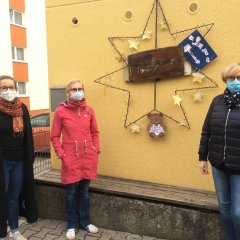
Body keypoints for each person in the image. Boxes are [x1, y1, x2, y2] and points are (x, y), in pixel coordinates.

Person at [50, 80, 100, 240]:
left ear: (84, 91)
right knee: (71, 192)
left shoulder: (89, 110)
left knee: (84, 191)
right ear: (68, 93)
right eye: (73, 89)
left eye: (80, 89)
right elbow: (54, 136)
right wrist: (61, 154)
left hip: (87, 157)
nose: (77, 91)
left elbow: (95, 132)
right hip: (70, 157)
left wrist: (95, 148)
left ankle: (85, 222)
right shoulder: (60, 112)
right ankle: (72, 224)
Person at [199, 63, 240, 240]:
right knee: (224, 206)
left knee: (238, 212)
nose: (235, 82)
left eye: (239, 78)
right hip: (218, 164)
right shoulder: (217, 101)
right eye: (232, 78)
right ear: (225, 80)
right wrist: (202, 158)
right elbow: (207, 130)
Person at [0, 75, 38, 240]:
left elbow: (28, 135)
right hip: (2, 161)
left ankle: (14, 230)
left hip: (20, 161)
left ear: (16, 88)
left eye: (11, 87)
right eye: (4, 88)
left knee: (13, 198)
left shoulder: (22, 108)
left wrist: (30, 156)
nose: (8, 91)